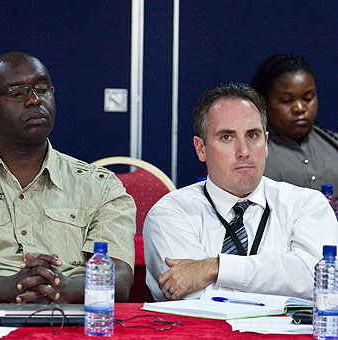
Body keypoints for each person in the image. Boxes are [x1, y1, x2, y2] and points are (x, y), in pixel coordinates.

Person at [0, 51, 136, 303]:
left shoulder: (101, 186)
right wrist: (13, 287)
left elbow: (120, 279)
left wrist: (63, 288)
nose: (34, 100)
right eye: (16, 92)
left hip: (72, 317)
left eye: (42, 88)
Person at [143, 83, 338, 302]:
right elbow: (198, 299)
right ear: (201, 148)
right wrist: (283, 279)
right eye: (227, 137)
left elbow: (318, 281)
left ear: (265, 143)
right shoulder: (170, 214)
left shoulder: (306, 204)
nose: (243, 151)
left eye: (252, 135)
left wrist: (216, 267)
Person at [251, 53, 338, 190]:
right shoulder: (249, 153)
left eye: (308, 98)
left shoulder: (333, 143)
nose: (300, 108)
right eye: (287, 100)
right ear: (263, 102)